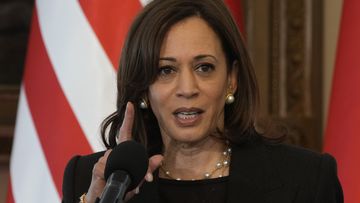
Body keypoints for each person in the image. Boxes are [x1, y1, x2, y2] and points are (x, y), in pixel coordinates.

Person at [62, 0, 344, 202]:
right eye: (166, 70)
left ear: (231, 79)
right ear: (143, 89)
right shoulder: (90, 179)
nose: (187, 88)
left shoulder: (306, 179)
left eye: (204, 67)